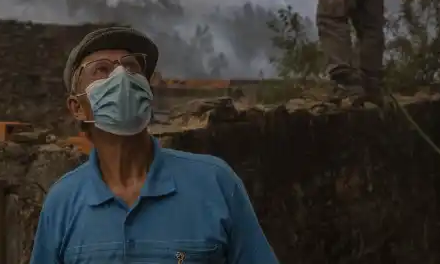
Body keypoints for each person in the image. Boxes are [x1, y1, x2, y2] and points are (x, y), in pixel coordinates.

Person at [29, 26, 280, 263]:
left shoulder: (216, 183)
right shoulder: (62, 202)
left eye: (131, 67)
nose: (121, 76)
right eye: (102, 69)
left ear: (146, 91)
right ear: (76, 107)